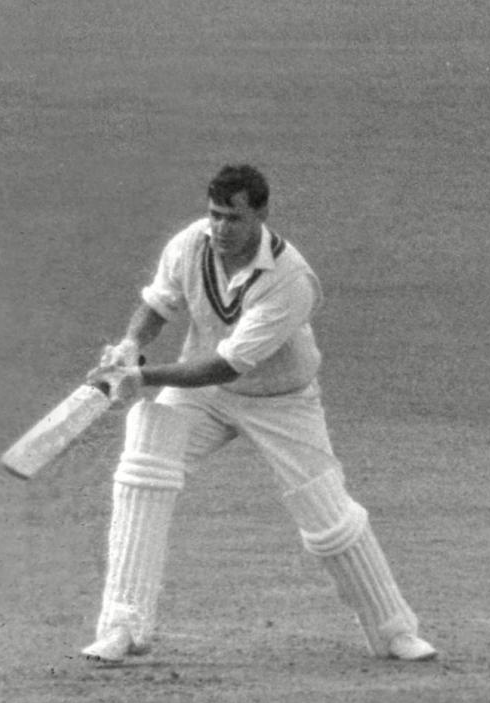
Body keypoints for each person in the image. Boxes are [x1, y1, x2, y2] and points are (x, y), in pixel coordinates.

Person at [81, 164, 437, 663]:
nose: (221, 229)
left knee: (328, 518)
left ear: (261, 215)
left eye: (233, 218)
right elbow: (159, 304)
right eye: (214, 215)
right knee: (142, 466)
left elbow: (226, 364)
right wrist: (129, 347)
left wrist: (141, 377)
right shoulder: (190, 244)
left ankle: (394, 630)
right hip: (201, 393)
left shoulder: (292, 279)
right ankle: (122, 626)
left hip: (280, 400)